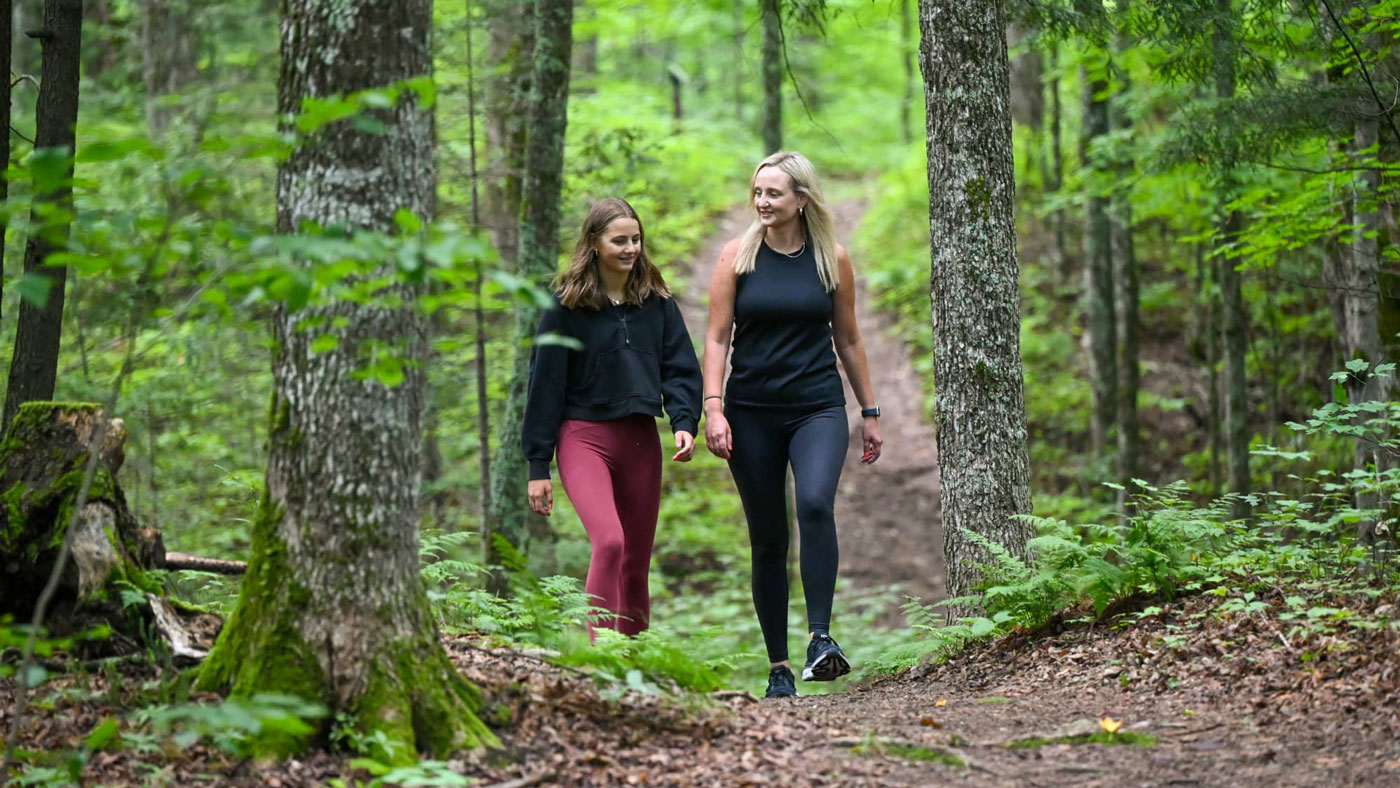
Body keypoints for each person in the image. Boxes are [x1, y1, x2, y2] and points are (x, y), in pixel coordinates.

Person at [702, 151, 883, 698]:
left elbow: (848, 339)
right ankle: (779, 668)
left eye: (773, 194)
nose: (762, 202)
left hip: (817, 407)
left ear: (801, 199)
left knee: (813, 504)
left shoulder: (832, 260)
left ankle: (820, 639)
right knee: (768, 537)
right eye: (757, 192)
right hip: (751, 412)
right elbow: (716, 337)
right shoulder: (737, 256)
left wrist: (869, 411)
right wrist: (713, 406)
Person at [521, 197, 703, 639]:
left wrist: (683, 421)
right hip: (583, 437)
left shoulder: (657, 303)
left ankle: (633, 665)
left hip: (640, 438)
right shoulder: (565, 306)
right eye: (619, 240)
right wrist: (538, 465)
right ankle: (600, 655)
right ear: (594, 243)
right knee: (610, 542)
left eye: (636, 240)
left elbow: (680, 367)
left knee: (636, 564)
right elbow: (545, 383)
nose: (630, 249)